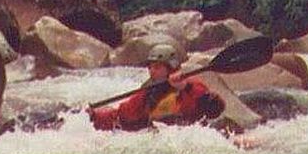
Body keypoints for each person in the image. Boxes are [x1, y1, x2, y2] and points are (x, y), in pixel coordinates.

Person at [89, 42, 226, 131]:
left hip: (190, 138)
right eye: (150, 67)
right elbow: (120, 116)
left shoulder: (192, 86)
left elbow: (215, 108)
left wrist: (184, 87)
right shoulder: (148, 92)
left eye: (157, 67)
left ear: (171, 67)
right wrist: (93, 116)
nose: (151, 71)